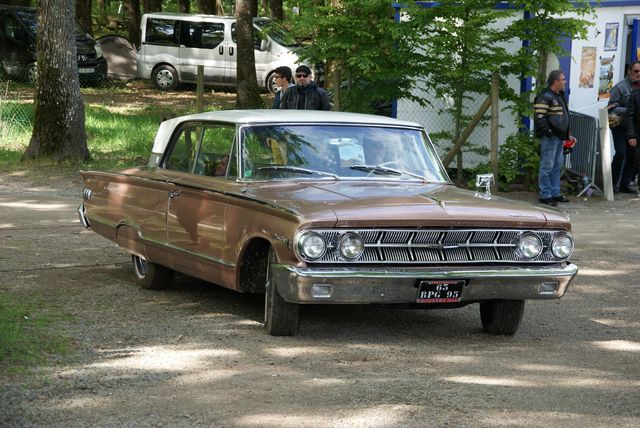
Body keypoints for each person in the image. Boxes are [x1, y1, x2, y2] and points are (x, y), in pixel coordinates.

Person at [533, 70, 572, 207]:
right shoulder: (545, 96)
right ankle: (545, 195)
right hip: (550, 138)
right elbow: (539, 117)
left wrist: (567, 134)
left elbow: (562, 117)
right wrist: (548, 132)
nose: (565, 82)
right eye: (563, 79)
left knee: (556, 166)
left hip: (559, 137)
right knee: (547, 166)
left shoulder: (559, 95)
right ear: (556, 81)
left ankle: (555, 193)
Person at [608, 61, 640, 193]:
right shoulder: (619, 88)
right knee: (621, 154)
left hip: (635, 128)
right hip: (620, 126)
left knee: (633, 156)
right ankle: (611, 183)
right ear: (629, 71)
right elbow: (611, 109)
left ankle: (625, 184)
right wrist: (630, 110)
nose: (639, 74)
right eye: (636, 71)